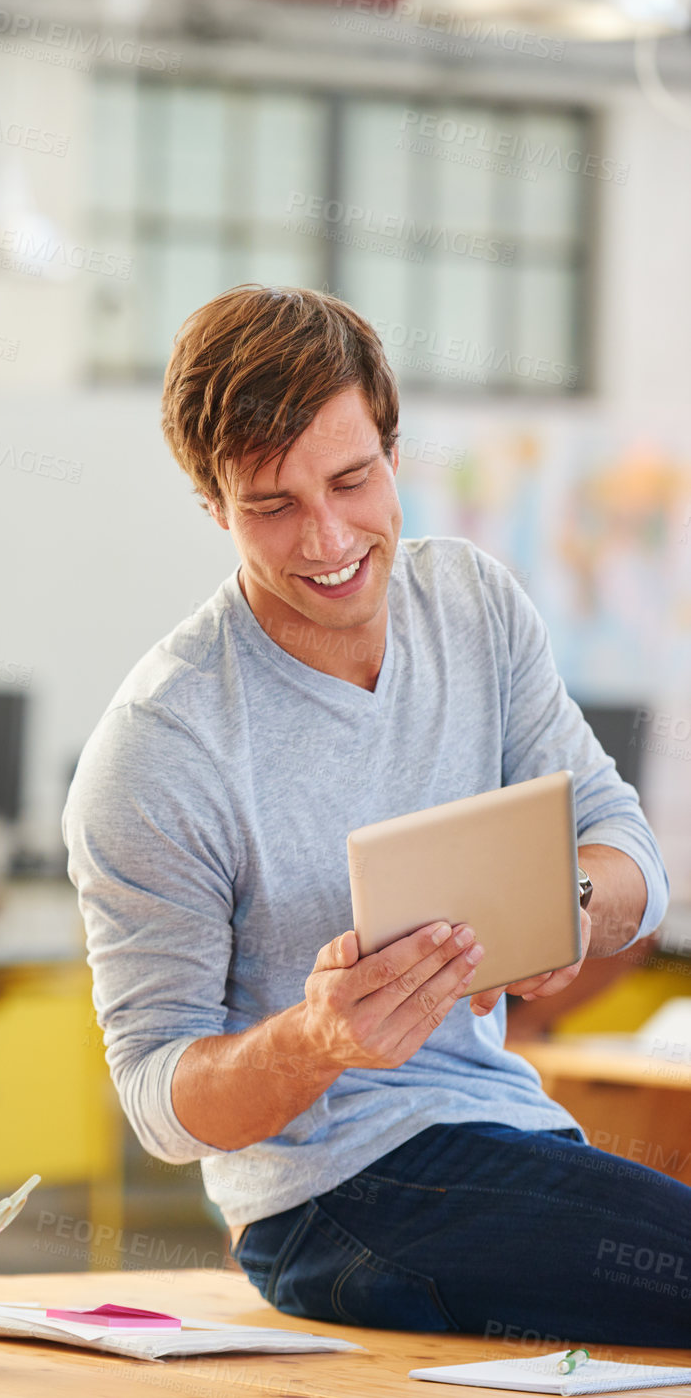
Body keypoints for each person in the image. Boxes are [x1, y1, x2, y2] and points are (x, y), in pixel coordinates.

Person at [64, 284, 691, 1346]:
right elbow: (157, 1099)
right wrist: (316, 1039)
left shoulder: (474, 607)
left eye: (351, 478)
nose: (326, 537)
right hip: (330, 1200)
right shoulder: (158, 747)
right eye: (271, 503)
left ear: (392, 449)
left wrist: (570, 906)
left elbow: (632, 853)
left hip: (508, 1133)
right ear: (211, 506)